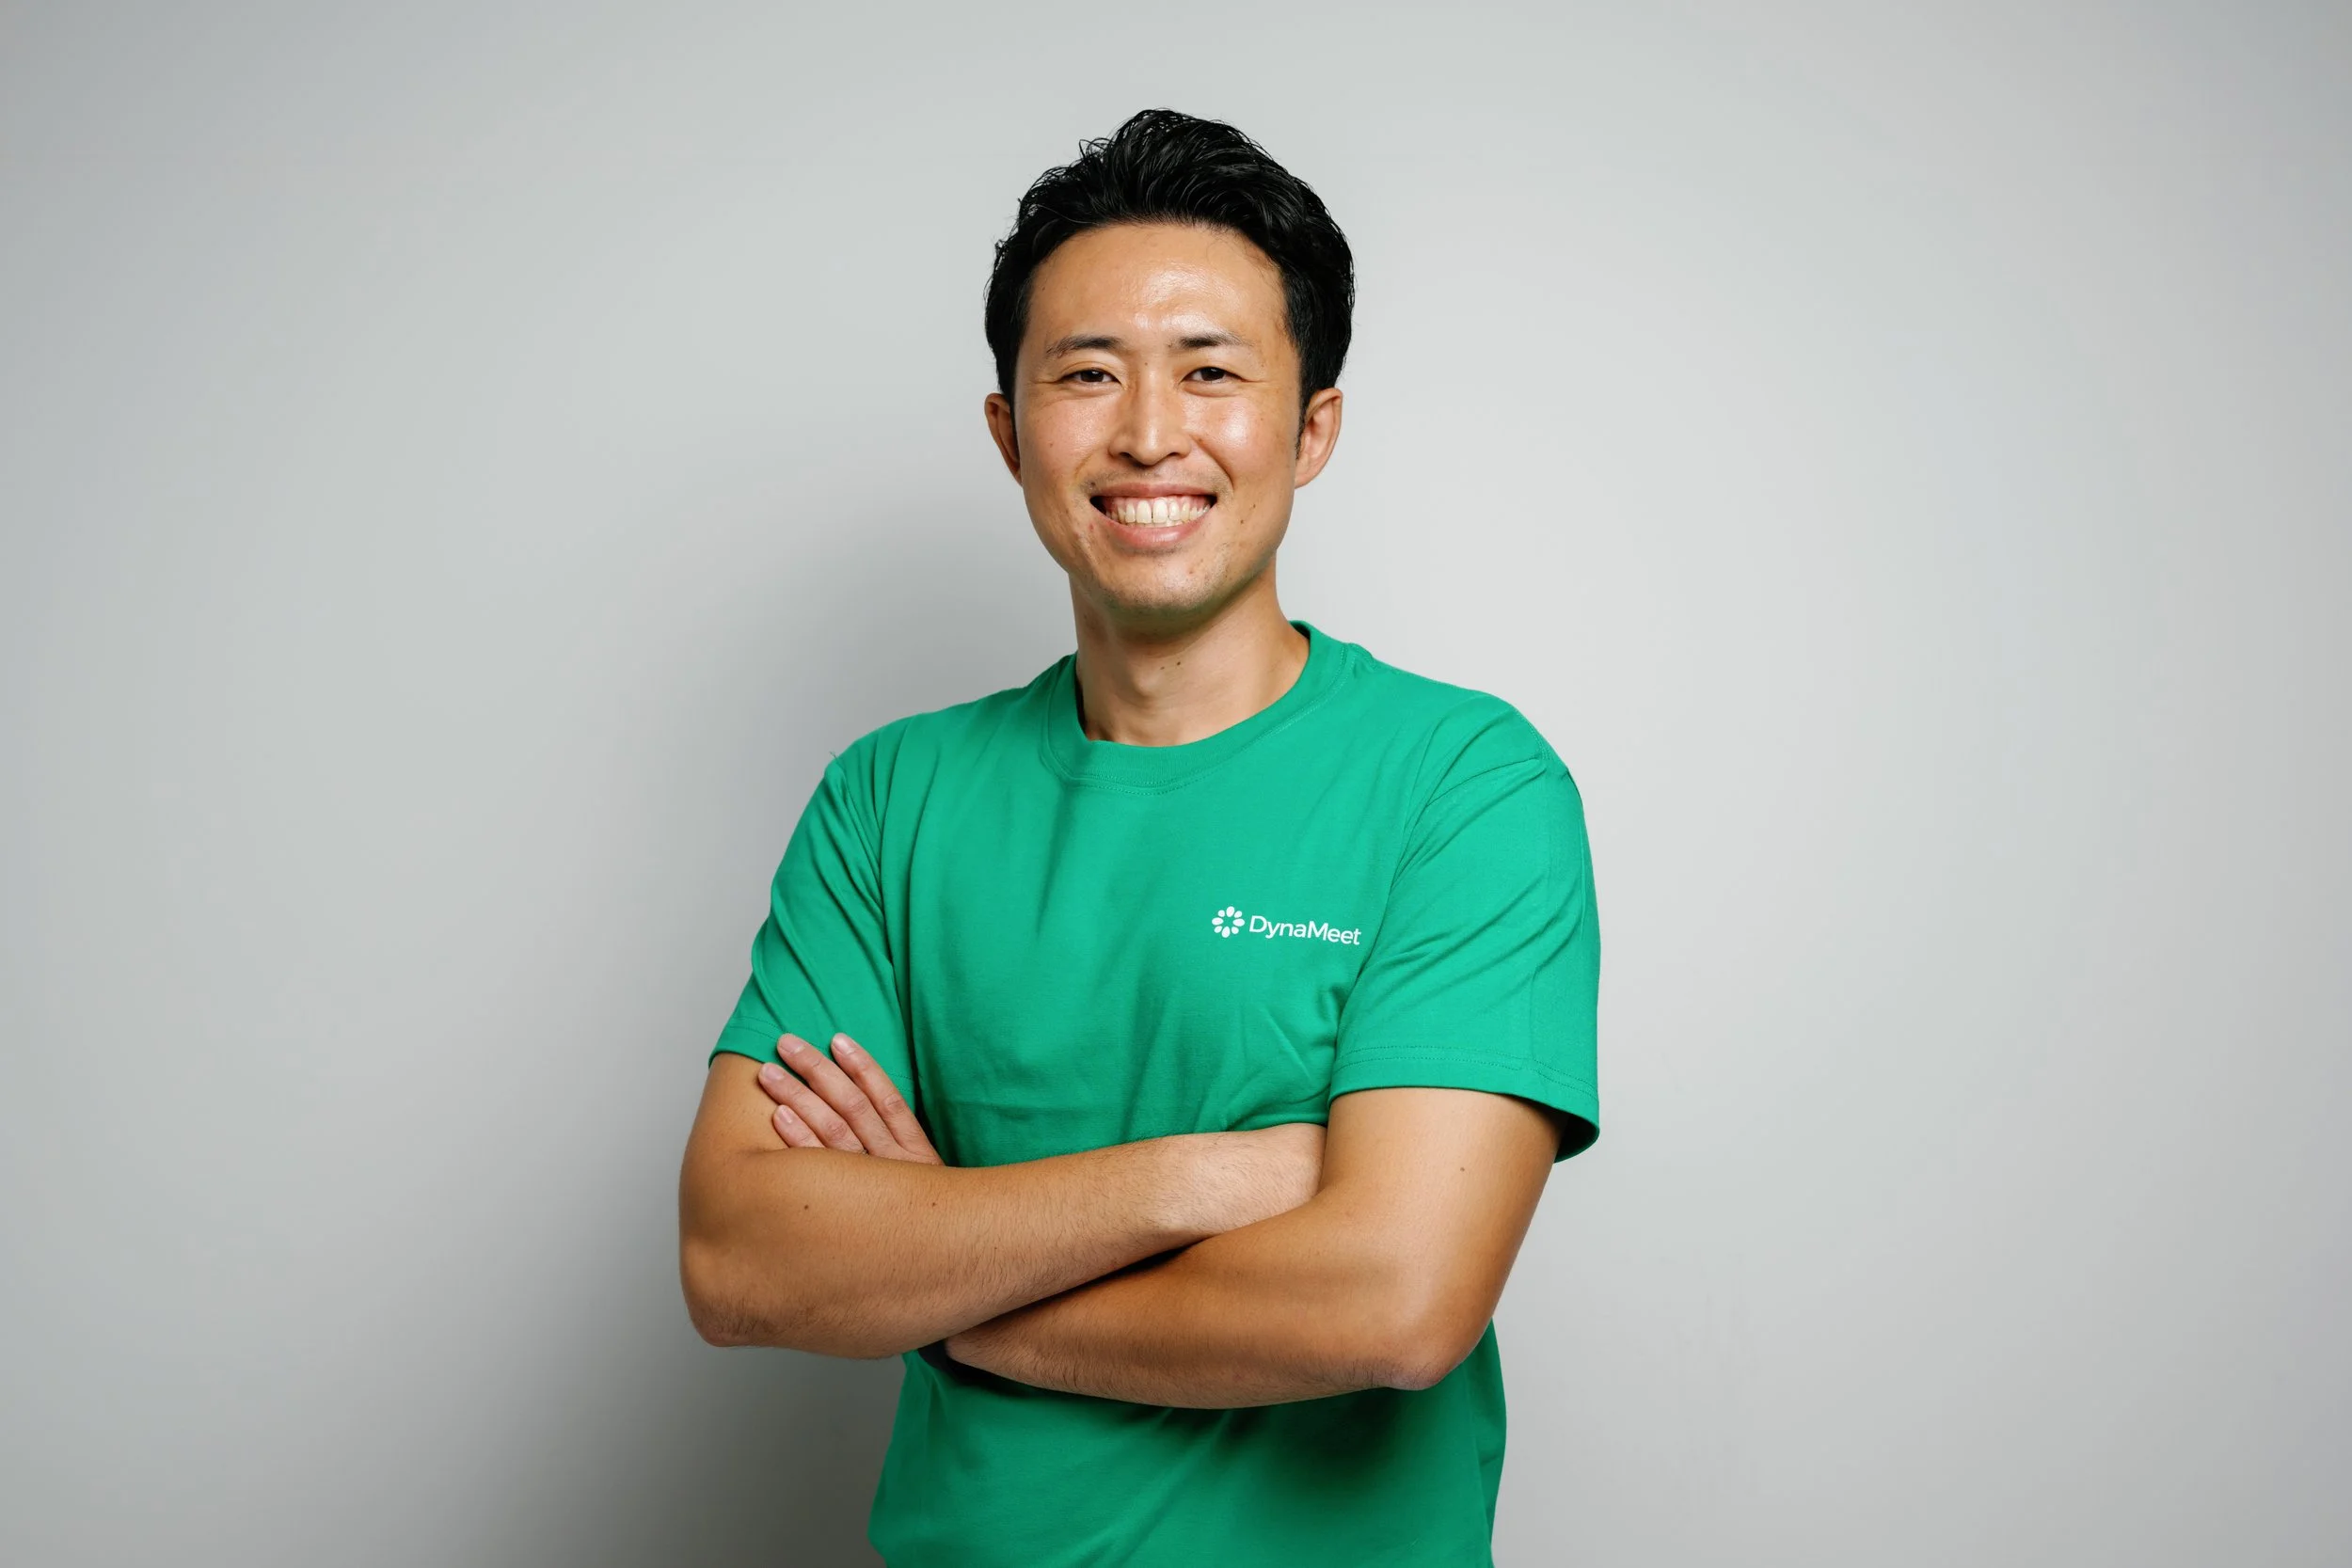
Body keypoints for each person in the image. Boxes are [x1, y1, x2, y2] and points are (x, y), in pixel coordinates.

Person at [677, 108, 1601, 1568]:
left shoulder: (1462, 783)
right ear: (1010, 433)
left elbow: (1396, 1300)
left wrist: (949, 1277)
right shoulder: (890, 797)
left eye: (1211, 372)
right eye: (1087, 373)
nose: (1150, 433)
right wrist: (1204, 1176)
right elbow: (741, 1256)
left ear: (1312, 428)